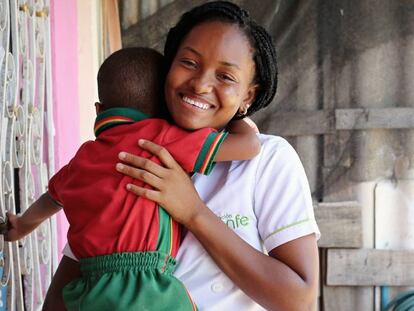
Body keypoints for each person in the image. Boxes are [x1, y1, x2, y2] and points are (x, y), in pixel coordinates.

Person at [44, 1, 321, 310]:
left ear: (248, 96)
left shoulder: (267, 161)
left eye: (226, 77)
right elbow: (59, 297)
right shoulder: (129, 156)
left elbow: (299, 300)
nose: (201, 84)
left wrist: (193, 212)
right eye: (189, 62)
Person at [4, 47, 261, 310]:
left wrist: (23, 225)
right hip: (147, 288)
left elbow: (51, 199)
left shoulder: (82, 159)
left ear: (99, 109)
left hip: (88, 288)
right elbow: (249, 146)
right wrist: (238, 118)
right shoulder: (161, 137)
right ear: (164, 107)